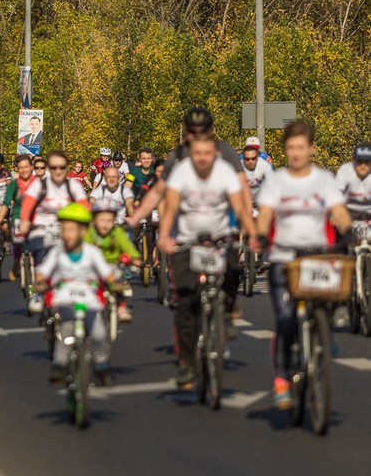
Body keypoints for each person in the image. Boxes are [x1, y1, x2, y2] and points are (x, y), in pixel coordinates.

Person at [256, 121, 352, 407]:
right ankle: (282, 378)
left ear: (310, 149)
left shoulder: (324, 180)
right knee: (285, 318)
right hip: (284, 258)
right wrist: (261, 234)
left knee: (333, 298)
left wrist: (348, 230)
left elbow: (338, 210)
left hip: (318, 256)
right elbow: (265, 214)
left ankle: (322, 334)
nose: (296, 153)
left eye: (301, 147)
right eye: (290, 148)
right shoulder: (276, 181)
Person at [157, 132, 257, 388]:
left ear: (215, 153)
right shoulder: (181, 173)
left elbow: (239, 206)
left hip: (220, 237)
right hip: (188, 241)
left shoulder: (224, 172)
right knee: (185, 306)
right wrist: (166, 235)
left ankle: (226, 312)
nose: (202, 158)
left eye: (207, 153)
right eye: (197, 153)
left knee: (235, 269)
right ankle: (188, 364)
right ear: (192, 154)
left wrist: (252, 234)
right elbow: (170, 207)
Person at [35, 203, 119, 385]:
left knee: (98, 333)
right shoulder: (57, 253)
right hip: (66, 299)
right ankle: (59, 364)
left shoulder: (92, 252)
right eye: (64, 230)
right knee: (66, 330)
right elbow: (44, 270)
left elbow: (106, 273)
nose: (67, 235)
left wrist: (114, 282)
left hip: (88, 299)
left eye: (72, 230)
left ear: (83, 231)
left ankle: (101, 365)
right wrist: (40, 279)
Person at [19, 150, 89, 265]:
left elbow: (85, 207)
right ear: (48, 169)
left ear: (67, 168)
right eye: (53, 167)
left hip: (66, 231)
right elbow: (27, 204)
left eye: (61, 167)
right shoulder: (39, 185)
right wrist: (25, 221)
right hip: (41, 230)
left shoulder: (74, 186)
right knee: (42, 257)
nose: (57, 171)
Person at [85, 199, 140, 323]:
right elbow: (83, 247)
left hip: (112, 265)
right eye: (102, 220)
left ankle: (121, 306)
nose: (105, 225)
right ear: (94, 220)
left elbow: (127, 246)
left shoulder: (117, 232)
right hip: (93, 267)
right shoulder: (90, 233)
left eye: (109, 221)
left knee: (118, 277)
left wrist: (134, 258)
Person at [0, 155, 35, 280]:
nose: (24, 170)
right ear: (17, 169)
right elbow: (6, 203)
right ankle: (16, 263)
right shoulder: (14, 185)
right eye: (20, 167)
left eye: (26, 167)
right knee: (18, 242)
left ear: (31, 167)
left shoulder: (38, 182)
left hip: (35, 217)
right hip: (18, 216)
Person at [335, 143, 371, 220]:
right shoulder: (345, 171)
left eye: (367, 162)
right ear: (354, 161)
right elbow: (335, 196)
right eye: (360, 161)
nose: (363, 165)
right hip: (348, 213)